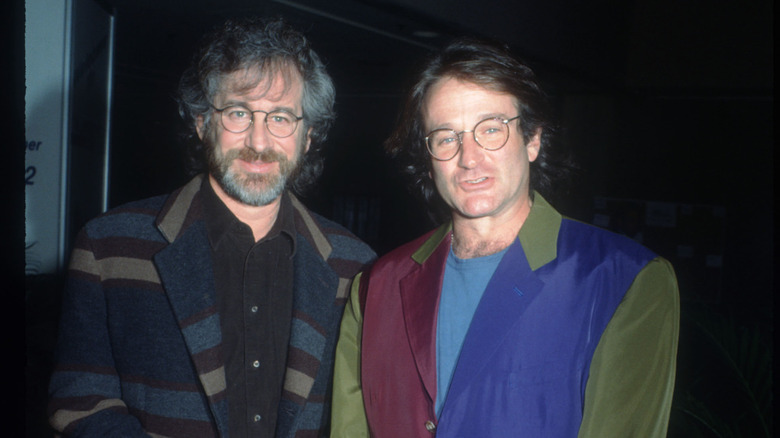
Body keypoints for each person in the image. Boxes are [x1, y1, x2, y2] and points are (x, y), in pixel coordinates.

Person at [331, 38, 679, 437]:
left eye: (491, 129)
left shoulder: (623, 281)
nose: (469, 157)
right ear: (428, 161)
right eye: (446, 138)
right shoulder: (376, 286)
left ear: (533, 140)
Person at [48, 17, 375, 438]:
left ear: (307, 136)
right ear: (203, 124)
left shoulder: (358, 269)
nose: (258, 141)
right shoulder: (109, 247)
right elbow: (79, 402)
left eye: (280, 118)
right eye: (238, 112)